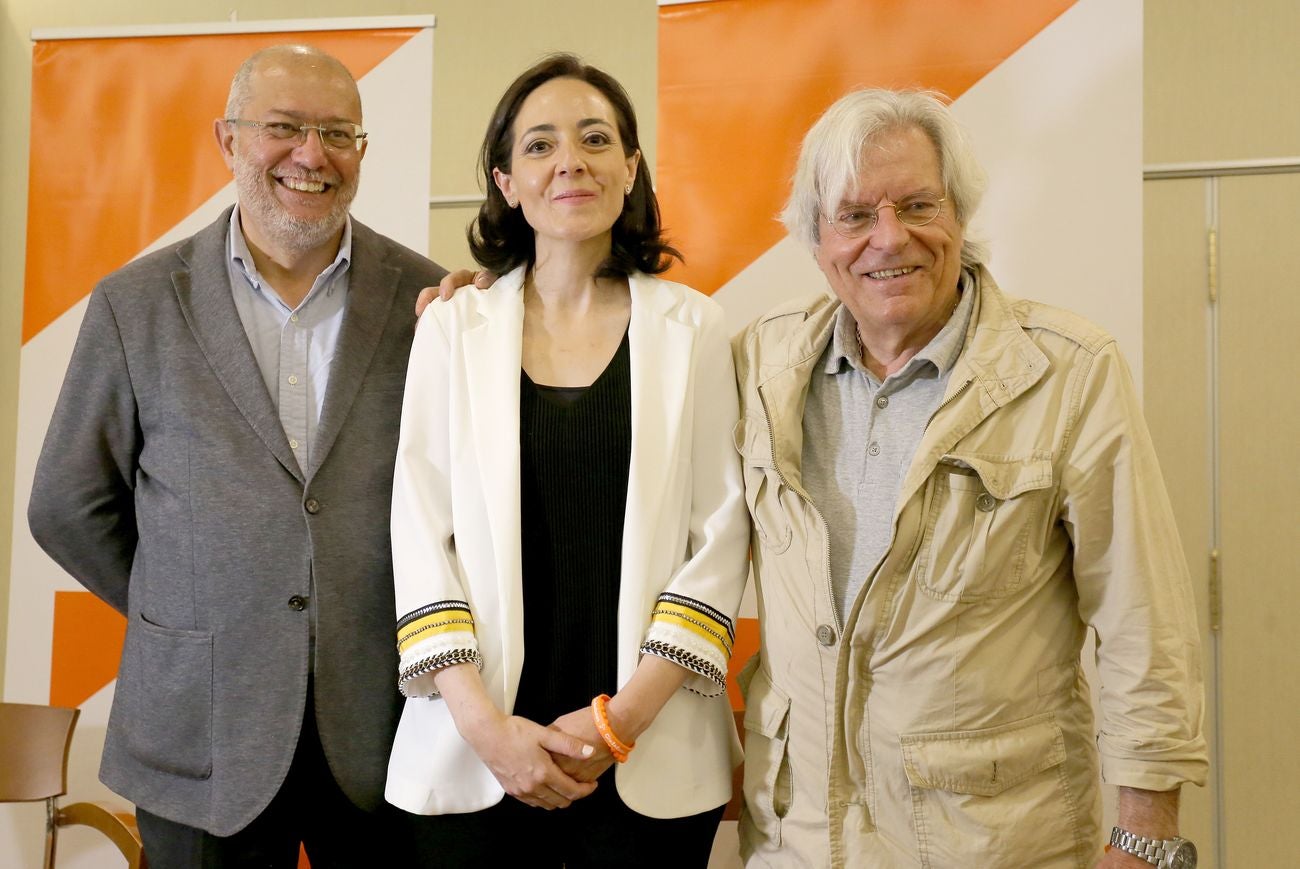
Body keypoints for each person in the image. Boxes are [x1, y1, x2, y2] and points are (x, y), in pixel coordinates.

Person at [731, 89, 1207, 868]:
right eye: (855, 215)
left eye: (918, 204)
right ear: (815, 238)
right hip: (800, 841)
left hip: (995, 844)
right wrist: (493, 306)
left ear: (960, 215)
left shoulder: (1068, 371)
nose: (891, 238)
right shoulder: (760, 361)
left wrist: (1143, 838)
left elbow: (1142, 621)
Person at [27, 45, 446, 867]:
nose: (311, 154)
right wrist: (186, 602)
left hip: (382, 727)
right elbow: (67, 504)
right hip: (199, 729)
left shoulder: (428, 302)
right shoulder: (136, 303)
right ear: (228, 140)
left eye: (337, 132)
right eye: (283, 127)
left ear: (362, 151)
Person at [384, 54, 749, 867]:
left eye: (594, 139)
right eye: (540, 145)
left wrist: (620, 720)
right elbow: (419, 533)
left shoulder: (698, 330)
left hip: (644, 755)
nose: (570, 162)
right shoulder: (450, 329)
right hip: (473, 753)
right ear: (506, 180)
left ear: (631, 167)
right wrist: (484, 727)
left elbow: (719, 536)